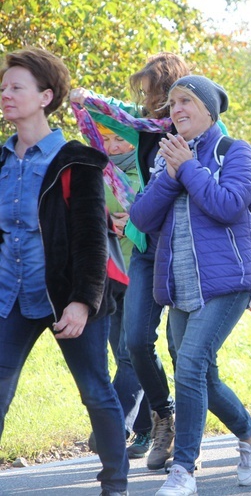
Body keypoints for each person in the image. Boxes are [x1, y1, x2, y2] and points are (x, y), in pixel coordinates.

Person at [129, 75, 251, 495]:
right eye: (172, 103)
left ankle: (184, 470)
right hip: (180, 286)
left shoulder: (235, 151)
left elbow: (228, 206)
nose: (176, 109)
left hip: (228, 283)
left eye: (186, 100)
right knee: (201, 376)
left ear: (209, 110)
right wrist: (174, 172)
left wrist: (187, 168)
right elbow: (141, 218)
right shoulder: (165, 157)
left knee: (190, 363)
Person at [0, 47, 128, 496]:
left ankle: (116, 482)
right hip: (8, 297)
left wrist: (82, 301)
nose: (5, 94)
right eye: (3, 87)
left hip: (68, 297)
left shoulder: (77, 161)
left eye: (16, 87)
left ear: (46, 95)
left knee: (95, 389)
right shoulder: (0, 161)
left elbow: (93, 241)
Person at [70, 53, 192, 470]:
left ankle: (186, 440)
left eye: (150, 92)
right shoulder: (142, 129)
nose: (145, 101)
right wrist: (85, 97)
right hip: (145, 251)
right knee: (136, 342)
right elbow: (111, 113)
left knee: (184, 350)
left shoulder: (198, 126)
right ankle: (162, 416)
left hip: (186, 250)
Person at [88, 123, 153, 460]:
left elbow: (163, 214)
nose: (112, 146)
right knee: (124, 356)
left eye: (119, 139)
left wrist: (136, 219)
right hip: (110, 276)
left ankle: (112, 426)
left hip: (142, 272)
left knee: (132, 355)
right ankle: (147, 428)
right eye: (107, 139)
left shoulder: (147, 169)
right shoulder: (99, 172)